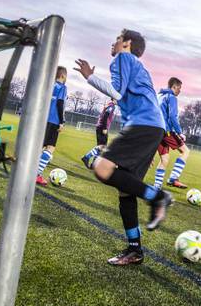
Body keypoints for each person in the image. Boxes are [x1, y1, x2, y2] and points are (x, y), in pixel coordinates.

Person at [74, 29, 173, 266]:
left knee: (103, 168)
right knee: (125, 189)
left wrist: (89, 77)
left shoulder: (122, 58)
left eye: (118, 39)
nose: (114, 42)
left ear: (127, 44)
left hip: (143, 124)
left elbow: (117, 92)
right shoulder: (138, 67)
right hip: (152, 128)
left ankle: (158, 197)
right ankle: (134, 250)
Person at [152, 77, 190, 189]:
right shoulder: (172, 97)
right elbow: (173, 116)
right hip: (166, 131)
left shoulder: (159, 96)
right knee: (185, 151)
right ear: (173, 87)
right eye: (179, 88)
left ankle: (157, 187)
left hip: (157, 130)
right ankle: (173, 179)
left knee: (165, 159)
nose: (180, 90)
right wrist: (180, 132)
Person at [35, 66, 68, 185]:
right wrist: (61, 121)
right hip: (54, 120)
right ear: (63, 76)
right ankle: (37, 174)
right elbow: (60, 104)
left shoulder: (50, 85)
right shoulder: (62, 87)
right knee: (50, 148)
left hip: (43, 119)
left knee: (40, 146)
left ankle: (28, 168)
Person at [81, 99, 117, 169]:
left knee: (100, 147)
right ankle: (87, 157)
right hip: (102, 127)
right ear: (114, 99)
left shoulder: (108, 104)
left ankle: (93, 164)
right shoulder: (111, 106)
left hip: (100, 126)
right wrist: (104, 128)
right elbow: (105, 116)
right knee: (102, 146)